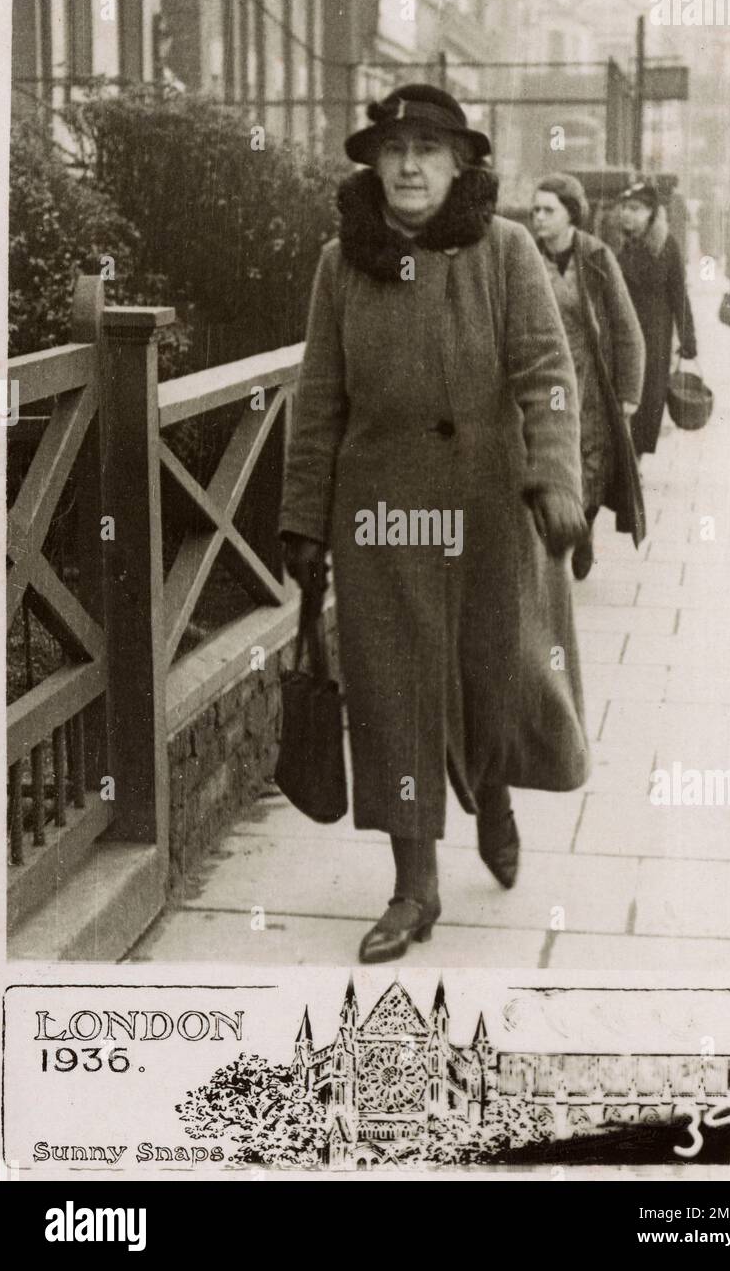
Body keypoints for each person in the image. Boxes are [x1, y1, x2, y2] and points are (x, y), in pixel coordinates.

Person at [279, 84, 590, 964]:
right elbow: (318, 401)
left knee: (494, 673)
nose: (408, 165)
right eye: (393, 149)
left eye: (427, 148)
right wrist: (304, 518)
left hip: (492, 511)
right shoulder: (341, 264)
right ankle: (413, 889)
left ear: (460, 165)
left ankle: (491, 793)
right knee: (390, 696)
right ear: (374, 165)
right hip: (381, 523)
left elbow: (545, 373)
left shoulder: (507, 250)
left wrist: (554, 476)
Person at [531, 174, 645, 579]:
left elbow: (626, 326)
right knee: (552, 454)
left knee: (592, 456)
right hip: (544, 375)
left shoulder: (596, 257)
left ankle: (585, 524)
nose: (539, 218)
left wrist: (630, 391)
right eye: (536, 210)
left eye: (548, 210)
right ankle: (565, 522)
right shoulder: (526, 256)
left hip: (591, 374)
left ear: (571, 214)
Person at [617, 179, 698, 456]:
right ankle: (626, 455)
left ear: (651, 212)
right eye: (625, 207)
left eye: (636, 208)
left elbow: (679, 295)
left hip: (655, 334)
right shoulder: (617, 243)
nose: (627, 213)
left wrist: (688, 339)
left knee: (649, 396)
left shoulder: (666, 245)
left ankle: (635, 457)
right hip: (620, 332)